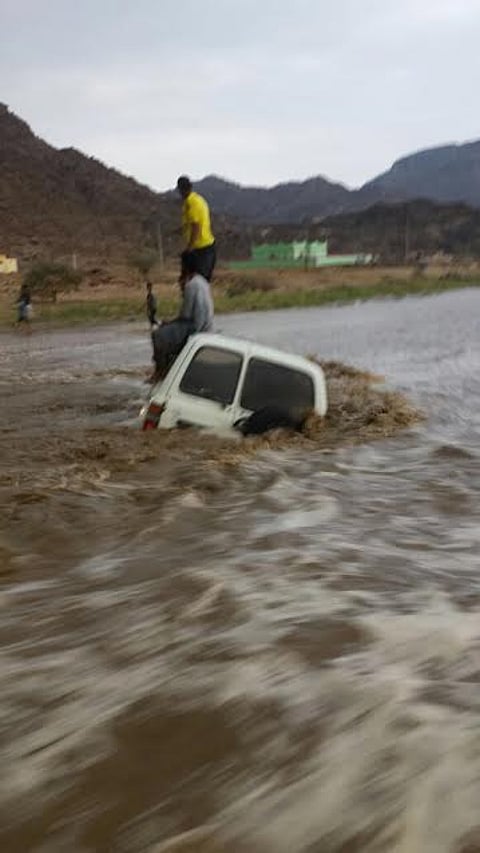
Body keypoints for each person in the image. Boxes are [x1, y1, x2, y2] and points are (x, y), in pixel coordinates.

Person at [151, 251, 214, 379]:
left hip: (196, 327)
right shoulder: (202, 281)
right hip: (206, 324)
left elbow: (185, 315)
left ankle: (161, 372)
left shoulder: (191, 285)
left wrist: (167, 323)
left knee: (158, 334)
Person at [177, 175, 216, 282]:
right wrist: (179, 231)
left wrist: (190, 247)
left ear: (182, 189)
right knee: (188, 280)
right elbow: (189, 223)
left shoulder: (192, 202)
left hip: (202, 248)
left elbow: (196, 226)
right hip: (203, 247)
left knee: (197, 282)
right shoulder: (195, 199)